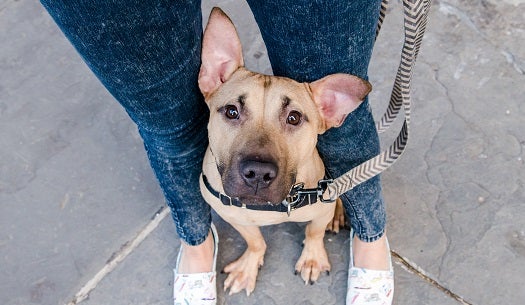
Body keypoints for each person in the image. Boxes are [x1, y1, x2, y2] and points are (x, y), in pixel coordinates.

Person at [40, 1, 393, 304]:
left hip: (309, 198)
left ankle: (364, 233)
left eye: (294, 118)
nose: (257, 162)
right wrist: (255, 247)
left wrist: (314, 240)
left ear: (327, 111)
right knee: (167, 122)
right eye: (233, 112)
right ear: (214, 80)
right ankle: (206, 241)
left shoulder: (323, 131)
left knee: (333, 90)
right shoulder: (218, 94)